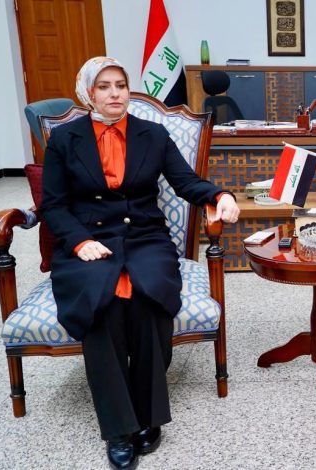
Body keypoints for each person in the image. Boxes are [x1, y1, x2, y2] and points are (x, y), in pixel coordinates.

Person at [41, 56, 240, 470]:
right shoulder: (64, 139)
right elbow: (54, 205)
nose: (115, 93)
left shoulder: (153, 133)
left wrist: (219, 196)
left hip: (145, 237)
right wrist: (79, 242)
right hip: (89, 239)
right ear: (89, 93)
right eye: (104, 86)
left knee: (150, 296)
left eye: (120, 85)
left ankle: (148, 415)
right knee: (101, 303)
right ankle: (118, 428)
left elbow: (185, 181)